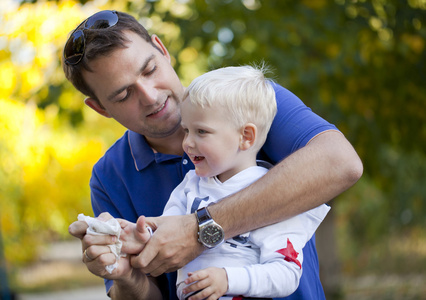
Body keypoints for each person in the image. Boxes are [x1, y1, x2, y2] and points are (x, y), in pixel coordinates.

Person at [63, 10, 362, 300]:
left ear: (162, 50)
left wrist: (200, 230)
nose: (150, 96)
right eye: (124, 95)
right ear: (100, 108)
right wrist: (124, 274)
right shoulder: (109, 177)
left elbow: (341, 163)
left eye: (150, 69)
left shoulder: (243, 96)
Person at [120, 65, 331, 300]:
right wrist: (135, 234)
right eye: (186, 130)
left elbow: (286, 273)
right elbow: (166, 233)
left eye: (201, 131)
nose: (187, 143)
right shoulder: (190, 186)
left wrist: (228, 279)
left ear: (246, 137)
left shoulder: (275, 197)